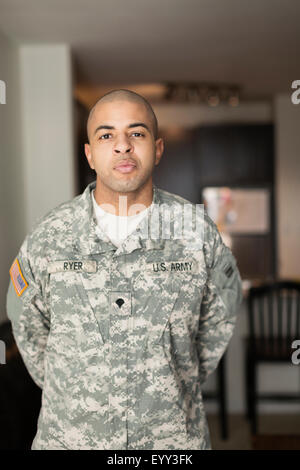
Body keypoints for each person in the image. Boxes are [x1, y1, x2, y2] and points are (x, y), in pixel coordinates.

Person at [6, 89, 243, 450]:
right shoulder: (49, 236)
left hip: (170, 444)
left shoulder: (196, 232)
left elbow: (219, 320)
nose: (123, 146)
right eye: (106, 135)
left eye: (137, 133)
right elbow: (28, 328)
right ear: (89, 153)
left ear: (158, 148)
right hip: (71, 441)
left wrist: (174, 378)